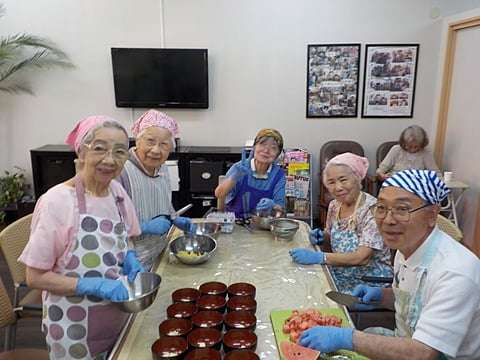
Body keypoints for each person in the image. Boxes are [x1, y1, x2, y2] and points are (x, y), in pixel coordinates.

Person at [298, 170, 480, 359]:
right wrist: (381, 296)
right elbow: (417, 298)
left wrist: (349, 339)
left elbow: (424, 353)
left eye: (402, 209)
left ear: (432, 214)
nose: (388, 220)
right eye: (381, 208)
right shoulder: (405, 247)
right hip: (405, 339)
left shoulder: (456, 272)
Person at [19, 115, 145, 359]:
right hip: (72, 327)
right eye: (99, 148)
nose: (110, 160)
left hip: (117, 317)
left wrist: (129, 254)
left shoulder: (116, 193)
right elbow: (34, 277)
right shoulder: (56, 202)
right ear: (82, 152)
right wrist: (92, 285)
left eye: (120, 151)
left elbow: (127, 235)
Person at [290, 152, 393, 294]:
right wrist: (323, 236)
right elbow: (332, 234)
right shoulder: (334, 205)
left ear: (358, 179)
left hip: (368, 285)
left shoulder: (373, 210)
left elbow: (362, 257)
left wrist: (320, 257)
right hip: (341, 275)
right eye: (331, 182)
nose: (338, 187)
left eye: (343, 180)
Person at [117, 109, 194, 269]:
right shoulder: (121, 171)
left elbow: (163, 201)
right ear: (137, 141)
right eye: (150, 141)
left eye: (164, 144)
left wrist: (173, 218)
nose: (156, 150)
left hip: (158, 254)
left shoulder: (163, 168)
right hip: (129, 261)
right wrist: (144, 227)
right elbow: (105, 225)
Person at [215, 128, 286, 218]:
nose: (266, 151)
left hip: (262, 224)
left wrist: (273, 206)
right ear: (254, 147)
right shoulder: (240, 167)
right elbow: (219, 194)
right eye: (262, 144)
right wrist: (235, 177)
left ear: (277, 155)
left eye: (273, 148)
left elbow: (280, 209)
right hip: (235, 221)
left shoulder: (278, 175)